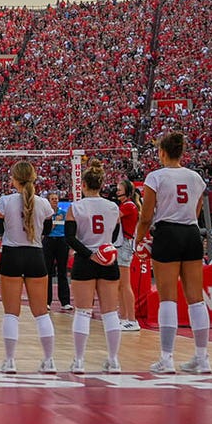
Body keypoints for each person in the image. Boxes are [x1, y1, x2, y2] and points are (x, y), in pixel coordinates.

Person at [135, 132, 210, 374]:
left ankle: (166, 359)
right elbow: (196, 209)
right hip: (190, 233)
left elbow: (146, 216)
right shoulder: (195, 177)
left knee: (168, 298)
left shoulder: (155, 177)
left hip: (167, 233)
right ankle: (202, 358)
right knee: (196, 298)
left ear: (162, 152)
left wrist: (139, 240)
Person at [0, 161, 57, 374]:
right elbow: (49, 229)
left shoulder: (5, 201)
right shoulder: (44, 203)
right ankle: (49, 361)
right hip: (35, 255)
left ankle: (10, 361)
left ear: (15, 179)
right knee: (41, 313)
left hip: (12, 255)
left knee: (11, 313)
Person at [64, 159, 123, 374]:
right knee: (110, 313)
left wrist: (90, 253)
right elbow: (115, 235)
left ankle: (79, 361)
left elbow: (69, 238)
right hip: (108, 260)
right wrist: (103, 249)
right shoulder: (113, 207)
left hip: (85, 260)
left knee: (82, 312)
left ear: (84, 185)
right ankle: (114, 360)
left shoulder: (76, 207)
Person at [116, 179, 142, 331]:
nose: (117, 191)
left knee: (125, 284)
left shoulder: (128, 206)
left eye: (119, 189)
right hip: (122, 244)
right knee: (121, 285)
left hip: (124, 245)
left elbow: (113, 219)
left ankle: (132, 319)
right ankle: (124, 317)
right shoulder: (126, 205)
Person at [42, 192, 72, 311]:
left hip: (61, 241)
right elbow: (45, 231)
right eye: (52, 199)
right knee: (47, 272)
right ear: (48, 201)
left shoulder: (63, 214)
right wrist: (54, 222)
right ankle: (46, 301)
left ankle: (65, 301)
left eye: (56, 199)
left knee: (62, 271)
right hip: (49, 241)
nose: (55, 201)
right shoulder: (46, 214)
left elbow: (68, 229)